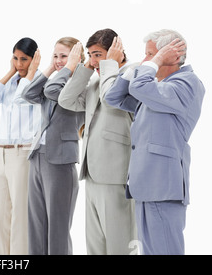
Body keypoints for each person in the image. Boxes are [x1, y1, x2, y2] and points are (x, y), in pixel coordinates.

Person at [104, 29, 205, 255]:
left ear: (173, 55)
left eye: (151, 54)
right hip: (146, 185)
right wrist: (133, 69)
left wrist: (155, 62)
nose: (145, 60)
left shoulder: (186, 83)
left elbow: (141, 87)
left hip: (163, 185)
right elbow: (114, 98)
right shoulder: (156, 87)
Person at [58, 29, 138, 255]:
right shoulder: (94, 82)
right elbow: (66, 100)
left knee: (120, 244)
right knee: (95, 247)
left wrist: (109, 66)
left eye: (98, 55)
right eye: (90, 55)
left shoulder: (132, 73)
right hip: (91, 173)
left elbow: (111, 99)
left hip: (116, 175)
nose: (93, 61)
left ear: (116, 52)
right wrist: (84, 69)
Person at [21, 37, 85, 255]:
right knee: (36, 225)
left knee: (58, 228)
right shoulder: (56, 79)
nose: (59, 60)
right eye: (55, 55)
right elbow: (28, 94)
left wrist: (68, 68)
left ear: (76, 58)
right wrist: (50, 68)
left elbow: (51, 93)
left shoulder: (80, 83)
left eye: (64, 56)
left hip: (60, 160)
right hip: (38, 155)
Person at [0, 37, 41, 255]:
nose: (19, 64)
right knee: (0, 216)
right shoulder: (11, 83)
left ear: (35, 60)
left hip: (22, 154)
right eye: (15, 58)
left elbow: (21, 100)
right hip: (0, 154)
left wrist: (31, 73)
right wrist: (9, 74)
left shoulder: (38, 82)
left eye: (24, 59)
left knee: (19, 218)